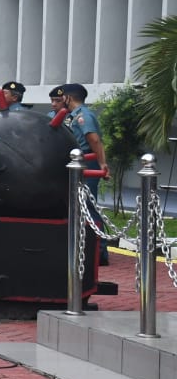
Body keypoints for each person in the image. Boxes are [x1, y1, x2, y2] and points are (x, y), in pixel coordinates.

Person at [63, 83, 110, 267]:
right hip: (78, 163)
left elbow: (94, 140)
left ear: (68, 98)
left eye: (63, 97)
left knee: (89, 206)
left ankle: (100, 252)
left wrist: (102, 164)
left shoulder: (83, 116)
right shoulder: (74, 116)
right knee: (81, 207)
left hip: (86, 162)